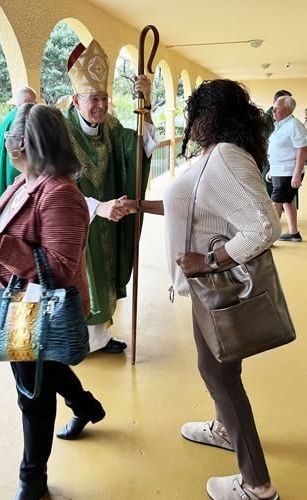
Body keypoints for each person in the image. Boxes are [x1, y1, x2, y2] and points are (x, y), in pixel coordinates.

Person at [134, 79, 282, 499]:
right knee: (221, 367)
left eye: (195, 112)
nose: (190, 122)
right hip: (207, 289)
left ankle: (257, 484)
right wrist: (141, 205)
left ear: (212, 115)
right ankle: (222, 428)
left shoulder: (227, 159)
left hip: (215, 285)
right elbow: (194, 203)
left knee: (218, 374)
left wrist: (210, 261)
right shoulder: (215, 155)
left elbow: (265, 225)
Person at [0, 103, 105, 500]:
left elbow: (60, 269)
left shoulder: (60, 195)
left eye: (8, 136)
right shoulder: (21, 184)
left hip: (40, 309)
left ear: (24, 143)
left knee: (33, 395)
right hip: (19, 304)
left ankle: (33, 480)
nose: (5, 143)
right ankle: (87, 407)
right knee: (47, 370)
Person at [64, 39, 157, 355]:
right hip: (72, 227)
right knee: (83, 281)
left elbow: (140, 148)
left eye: (104, 98)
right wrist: (95, 207)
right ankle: (77, 343)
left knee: (103, 280)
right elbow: (53, 187)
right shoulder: (60, 133)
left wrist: (147, 103)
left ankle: (98, 340)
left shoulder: (111, 127)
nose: (101, 105)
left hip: (107, 221)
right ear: (76, 100)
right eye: (94, 99)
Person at [0, 86, 37, 225]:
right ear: (27, 100)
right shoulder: (20, 120)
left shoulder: (10, 117)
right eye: (33, 103)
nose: (34, 106)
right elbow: (17, 162)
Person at [267, 95, 307, 242]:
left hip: (288, 171)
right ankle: (294, 233)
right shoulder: (281, 125)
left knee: (276, 203)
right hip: (280, 170)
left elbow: (302, 150)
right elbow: (281, 150)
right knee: (286, 201)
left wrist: (297, 174)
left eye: (277, 109)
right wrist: (273, 169)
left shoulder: (294, 125)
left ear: (288, 109)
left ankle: (269, 238)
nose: (273, 111)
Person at [262, 89, 292, 197]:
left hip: (284, 162)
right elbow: (266, 142)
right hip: (272, 162)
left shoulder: (286, 117)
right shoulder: (267, 118)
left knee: (285, 199)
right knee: (273, 197)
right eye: (287, 101)